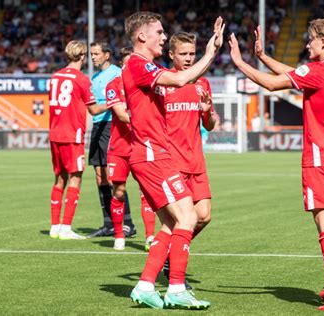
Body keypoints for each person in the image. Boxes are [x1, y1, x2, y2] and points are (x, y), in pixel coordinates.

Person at [229, 20, 324, 312]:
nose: (307, 44)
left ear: (323, 42)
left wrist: (240, 62)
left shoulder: (316, 71)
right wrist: (261, 57)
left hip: (320, 157)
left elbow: (274, 84)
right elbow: (296, 75)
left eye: (311, 39)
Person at [122, 12, 224, 310]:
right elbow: (180, 77)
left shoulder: (145, 66)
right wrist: (210, 53)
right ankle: (177, 287)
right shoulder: (139, 64)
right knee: (188, 218)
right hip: (154, 153)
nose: (164, 36)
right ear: (142, 36)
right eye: (159, 32)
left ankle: (144, 285)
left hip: (156, 153)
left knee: (171, 225)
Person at [159, 31, 217, 286]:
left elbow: (212, 124)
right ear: (171, 55)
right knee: (176, 222)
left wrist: (207, 113)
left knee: (203, 216)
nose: (188, 58)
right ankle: (173, 275)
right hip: (172, 162)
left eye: (192, 53)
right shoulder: (163, 82)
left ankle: (172, 253)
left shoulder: (202, 84)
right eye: (183, 54)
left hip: (196, 161)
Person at [48, 40, 108, 240]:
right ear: (82, 56)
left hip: (55, 133)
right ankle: (66, 228)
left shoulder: (55, 77)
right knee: (76, 178)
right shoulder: (81, 79)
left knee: (59, 178)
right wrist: (113, 103)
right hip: (71, 134)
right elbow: (93, 109)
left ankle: (54, 226)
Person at [105, 47, 156, 251]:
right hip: (119, 148)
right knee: (118, 191)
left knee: (147, 193)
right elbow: (122, 114)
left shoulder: (144, 86)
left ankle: (150, 236)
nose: (130, 67)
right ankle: (119, 235)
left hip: (141, 146)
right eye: (126, 63)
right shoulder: (113, 85)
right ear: (122, 65)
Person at [88, 41, 136, 238]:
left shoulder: (117, 73)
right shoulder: (95, 77)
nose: (93, 57)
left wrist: (112, 105)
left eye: (96, 53)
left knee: (113, 178)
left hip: (111, 126)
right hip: (97, 126)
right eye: (91, 54)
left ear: (107, 55)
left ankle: (127, 223)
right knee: (99, 176)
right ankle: (108, 224)